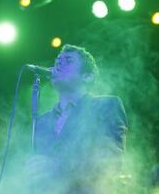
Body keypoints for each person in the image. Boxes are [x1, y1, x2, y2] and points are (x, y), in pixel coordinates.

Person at [25, 44, 128, 193]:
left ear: (87, 76)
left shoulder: (106, 106)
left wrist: (58, 167)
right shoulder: (42, 121)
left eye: (68, 60)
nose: (58, 63)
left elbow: (111, 161)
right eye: (57, 60)